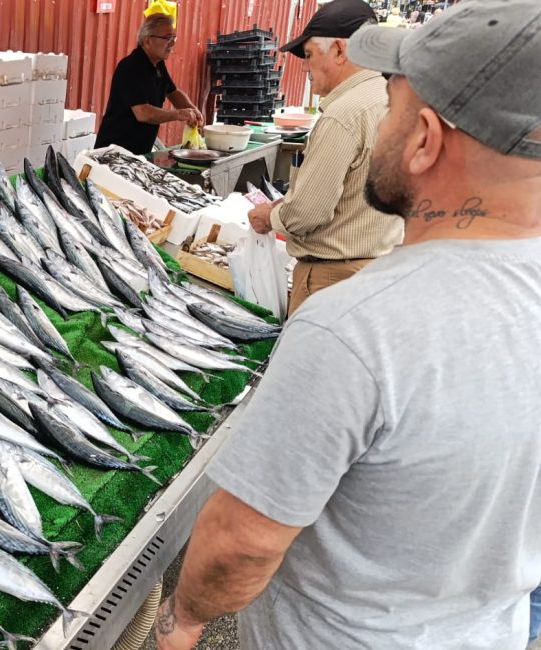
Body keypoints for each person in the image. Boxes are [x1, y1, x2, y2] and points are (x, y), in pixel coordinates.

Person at [154, 2, 541, 649]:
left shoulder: (357, 330)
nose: (378, 123)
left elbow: (242, 545)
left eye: (391, 107)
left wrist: (185, 618)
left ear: (425, 140)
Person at [247, 0, 402, 316]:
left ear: (340, 51)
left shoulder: (343, 115)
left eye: (308, 55)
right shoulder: (389, 98)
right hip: (376, 268)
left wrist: (270, 217)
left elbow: (307, 213)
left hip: (333, 278)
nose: (305, 68)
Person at [93, 9, 204, 156]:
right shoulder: (130, 67)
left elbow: (173, 92)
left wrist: (193, 110)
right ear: (147, 40)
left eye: (174, 38)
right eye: (167, 38)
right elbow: (143, 113)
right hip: (114, 153)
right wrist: (178, 114)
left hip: (138, 153)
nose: (171, 44)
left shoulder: (157, 64)